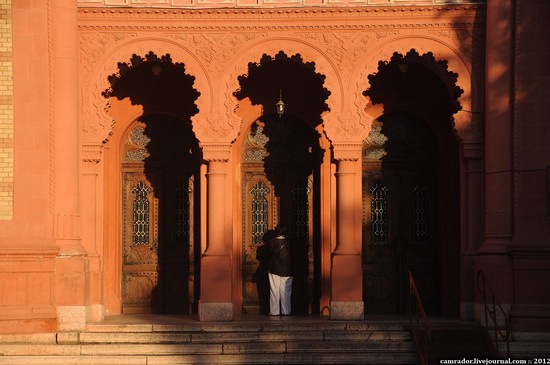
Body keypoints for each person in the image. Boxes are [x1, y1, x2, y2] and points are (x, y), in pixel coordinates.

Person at [267, 224, 292, 316]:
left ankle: (274, 311)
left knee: (274, 290)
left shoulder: (271, 242)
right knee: (286, 291)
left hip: (274, 268)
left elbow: (267, 255)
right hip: (287, 269)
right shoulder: (289, 242)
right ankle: (286, 311)